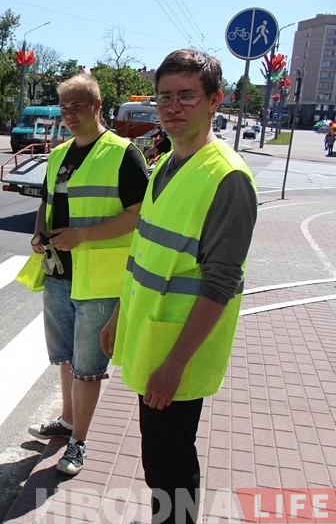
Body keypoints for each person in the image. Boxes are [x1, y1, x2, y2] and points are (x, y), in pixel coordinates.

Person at [101, 49, 257, 524]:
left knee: (172, 467)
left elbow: (221, 284)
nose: (172, 107)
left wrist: (174, 366)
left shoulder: (227, 179)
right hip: (152, 339)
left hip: (179, 357)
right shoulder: (166, 163)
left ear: (215, 100)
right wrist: (117, 318)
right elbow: (145, 255)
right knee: (160, 464)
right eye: (165, 96)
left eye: (187, 96)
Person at [27, 73, 149, 476]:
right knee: (64, 359)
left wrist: (82, 235)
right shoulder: (60, 154)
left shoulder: (123, 154)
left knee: (88, 367)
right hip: (59, 274)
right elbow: (47, 201)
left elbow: (137, 218)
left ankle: (79, 443)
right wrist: (39, 231)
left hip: (98, 280)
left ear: (97, 107)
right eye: (64, 108)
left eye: (77, 107)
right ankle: (66, 421)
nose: (69, 115)